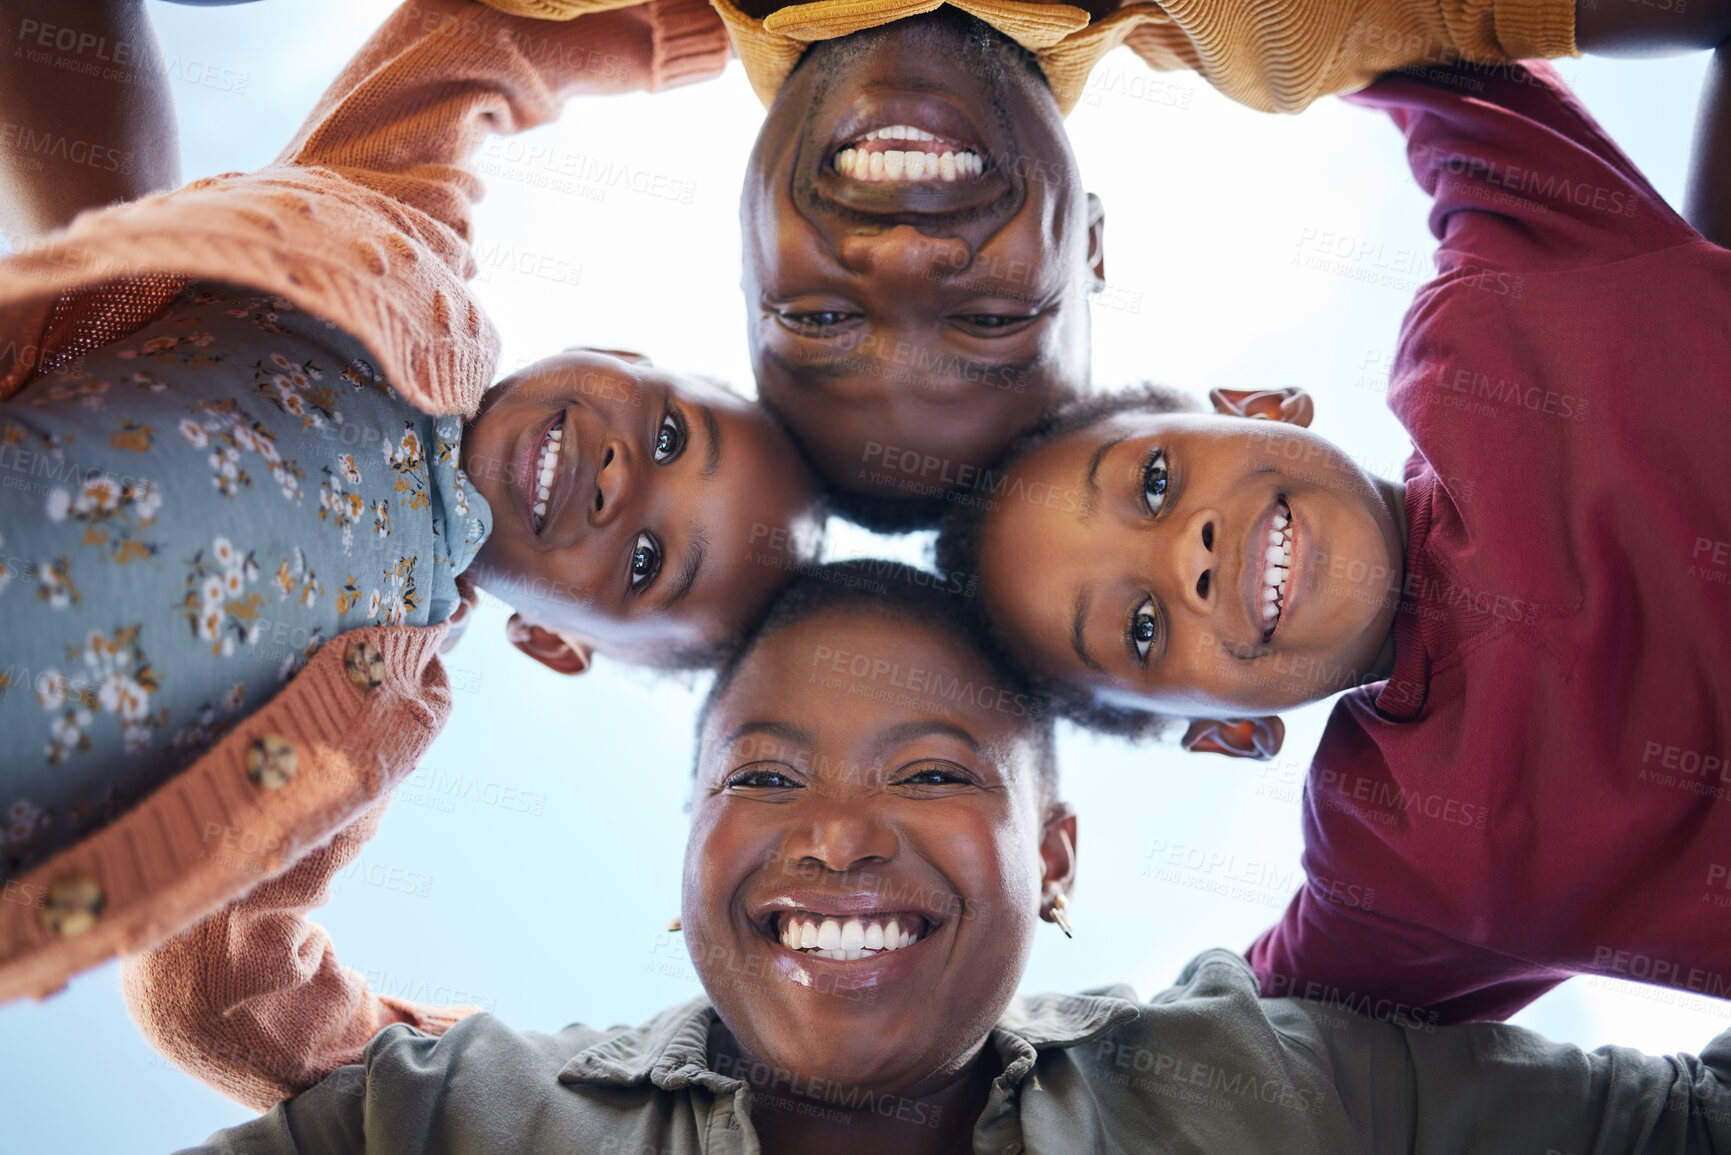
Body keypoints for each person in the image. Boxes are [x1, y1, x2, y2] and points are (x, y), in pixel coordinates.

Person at [165, 562, 1731, 1152]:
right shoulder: (437, 1126)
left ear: (1051, 849)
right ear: (689, 850)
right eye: (764, 774)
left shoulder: (1284, 1089)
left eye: (927, 769)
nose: (835, 831)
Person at [0, 0, 822, 1005]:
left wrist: (451, 1071)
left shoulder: (378, 724)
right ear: (619, 356)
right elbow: (476, 43)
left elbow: (224, 986)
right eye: (667, 436)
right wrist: (727, 24)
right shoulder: (406, 249)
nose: (623, 480)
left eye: (649, 560)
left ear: (555, 643)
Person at [934, 23, 1731, 1015]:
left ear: (1257, 405)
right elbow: (1209, 1054)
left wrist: (1144, 20)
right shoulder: (1393, 865)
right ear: (1227, 731)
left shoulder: (1493, 309)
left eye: (1152, 484)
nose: (1189, 551)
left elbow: (1400, 36)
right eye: (1141, 627)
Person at [486, 0, 1584, 527]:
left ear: (742, 252)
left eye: (818, 320)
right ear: (1093, 244)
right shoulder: (1281, 27)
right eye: (993, 320)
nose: (909, 254)